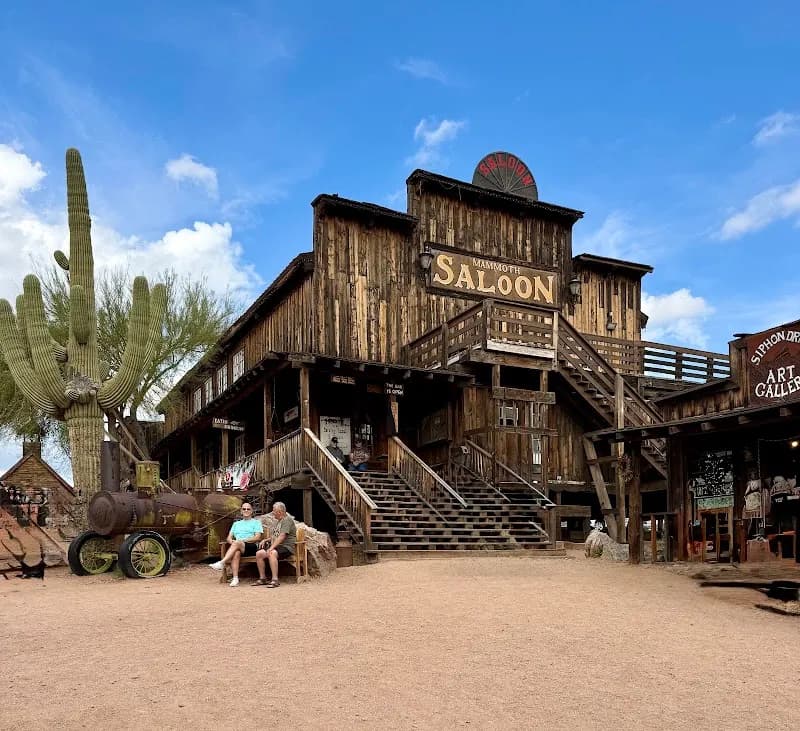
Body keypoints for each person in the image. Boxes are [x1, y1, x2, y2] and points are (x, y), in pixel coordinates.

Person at [209, 502, 263, 587]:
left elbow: (257, 537)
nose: (246, 510)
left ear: (252, 511)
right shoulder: (236, 524)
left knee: (237, 543)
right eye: (244, 509)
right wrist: (233, 543)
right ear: (241, 511)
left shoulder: (256, 523)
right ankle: (235, 578)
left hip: (251, 547)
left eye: (248, 509)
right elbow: (229, 538)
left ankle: (222, 562)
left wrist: (242, 541)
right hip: (238, 547)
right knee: (236, 552)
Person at [252, 501, 296, 588]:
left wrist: (271, 548)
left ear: (280, 512)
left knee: (272, 553)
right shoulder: (277, 522)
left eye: (274, 511)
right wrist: (266, 540)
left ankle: (275, 580)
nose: (272, 513)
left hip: (286, 547)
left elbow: (282, 536)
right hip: (278, 546)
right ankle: (263, 578)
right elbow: (275, 536)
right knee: (259, 553)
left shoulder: (287, 520)